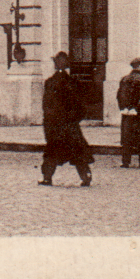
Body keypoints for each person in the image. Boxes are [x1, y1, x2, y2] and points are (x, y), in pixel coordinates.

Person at [40, 51, 93, 186]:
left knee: (52, 152)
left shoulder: (50, 83)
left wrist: (49, 124)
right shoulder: (73, 83)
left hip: (55, 126)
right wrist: (73, 120)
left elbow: (46, 107)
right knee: (78, 151)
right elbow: (81, 107)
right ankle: (85, 177)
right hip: (70, 125)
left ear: (55, 65)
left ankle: (47, 177)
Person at [116, 57, 140, 166]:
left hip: (126, 113)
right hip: (139, 113)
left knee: (126, 137)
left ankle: (125, 162)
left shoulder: (124, 79)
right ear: (139, 66)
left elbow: (119, 96)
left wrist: (123, 108)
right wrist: (136, 108)